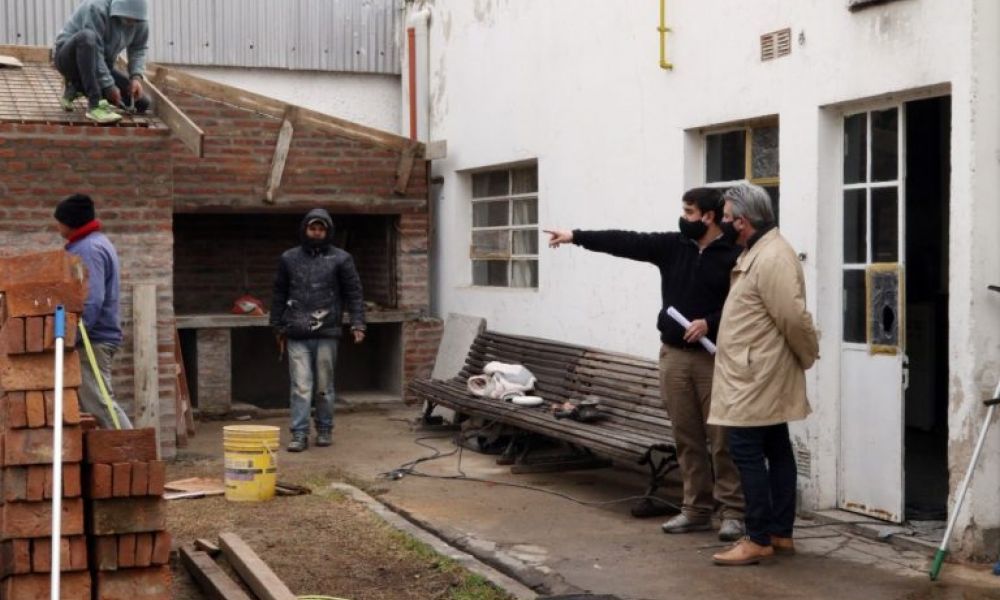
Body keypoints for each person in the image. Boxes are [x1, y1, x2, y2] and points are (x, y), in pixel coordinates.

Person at [545, 187, 745, 542]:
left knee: (722, 438)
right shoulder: (673, 247)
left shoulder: (735, 254)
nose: (683, 218)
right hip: (674, 358)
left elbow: (743, 304)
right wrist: (576, 237)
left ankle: (733, 514)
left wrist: (709, 322)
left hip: (715, 360)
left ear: (708, 217)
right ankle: (696, 511)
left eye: (689, 212)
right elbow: (626, 241)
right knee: (687, 437)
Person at [708, 183, 819, 566]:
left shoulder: (772, 256)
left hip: (756, 375)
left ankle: (758, 537)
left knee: (746, 449)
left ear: (742, 221)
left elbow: (793, 316)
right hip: (756, 371)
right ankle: (779, 532)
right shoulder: (759, 251)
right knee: (775, 447)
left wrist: (808, 356)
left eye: (725, 216)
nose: (720, 222)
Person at [270, 209, 366, 452]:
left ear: (328, 231)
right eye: (313, 228)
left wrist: (358, 323)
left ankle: (324, 428)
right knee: (301, 386)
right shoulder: (289, 258)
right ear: (305, 229)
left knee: (324, 386)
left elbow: (354, 293)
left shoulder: (341, 259)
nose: (316, 233)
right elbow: (279, 292)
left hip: (328, 331)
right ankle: (299, 433)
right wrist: (276, 323)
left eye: (321, 229)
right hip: (296, 331)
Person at [54, 194, 133, 430]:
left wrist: (73, 335)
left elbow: (91, 299)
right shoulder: (95, 242)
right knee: (92, 404)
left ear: (71, 222)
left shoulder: (88, 249)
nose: (57, 226)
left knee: (100, 404)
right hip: (96, 337)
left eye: (59, 221)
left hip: (93, 339)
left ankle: (133, 455)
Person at [53, 0, 151, 125]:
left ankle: (76, 86)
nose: (131, 23)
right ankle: (94, 104)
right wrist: (109, 85)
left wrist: (136, 77)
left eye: (134, 20)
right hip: (69, 60)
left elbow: (138, 49)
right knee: (87, 37)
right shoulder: (97, 8)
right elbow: (95, 50)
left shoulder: (140, 20)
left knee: (142, 104)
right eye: (127, 19)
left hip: (99, 66)